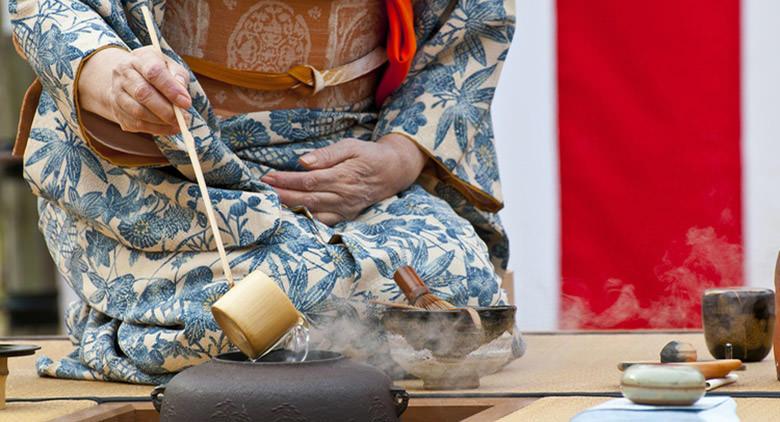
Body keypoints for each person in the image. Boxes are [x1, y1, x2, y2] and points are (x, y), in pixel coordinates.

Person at [10, 0, 516, 383]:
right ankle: (130, 320)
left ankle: (161, 322)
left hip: (345, 158)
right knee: (269, 306)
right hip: (168, 161)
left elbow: (473, 21)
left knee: (459, 284)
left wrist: (401, 154)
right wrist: (114, 81)